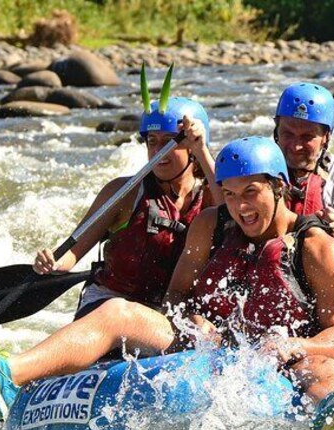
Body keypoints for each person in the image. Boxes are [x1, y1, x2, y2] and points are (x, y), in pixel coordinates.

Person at [0, 136, 334, 430]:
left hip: (280, 355)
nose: (239, 207)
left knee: (324, 370)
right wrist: (195, 321)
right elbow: (176, 296)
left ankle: (331, 415)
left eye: (251, 193)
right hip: (209, 343)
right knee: (118, 311)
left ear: (278, 188)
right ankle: (6, 375)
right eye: (231, 194)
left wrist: (292, 343)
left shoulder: (316, 247)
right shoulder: (209, 225)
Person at [33, 96, 216, 320]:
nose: (159, 151)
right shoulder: (123, 192)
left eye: (170, 141)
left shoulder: (212, 192)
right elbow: (72, 252)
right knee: (118, 311)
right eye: (152, 141)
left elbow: (233, 215)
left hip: (168, 312)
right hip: (109, 305)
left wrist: (202, 152)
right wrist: (53, 263)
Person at [271, 82, 334, 243]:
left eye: (307, 137)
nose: (296, 146)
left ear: (326, 137)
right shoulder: (261, 167)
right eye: (287, 134)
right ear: (276, 131)